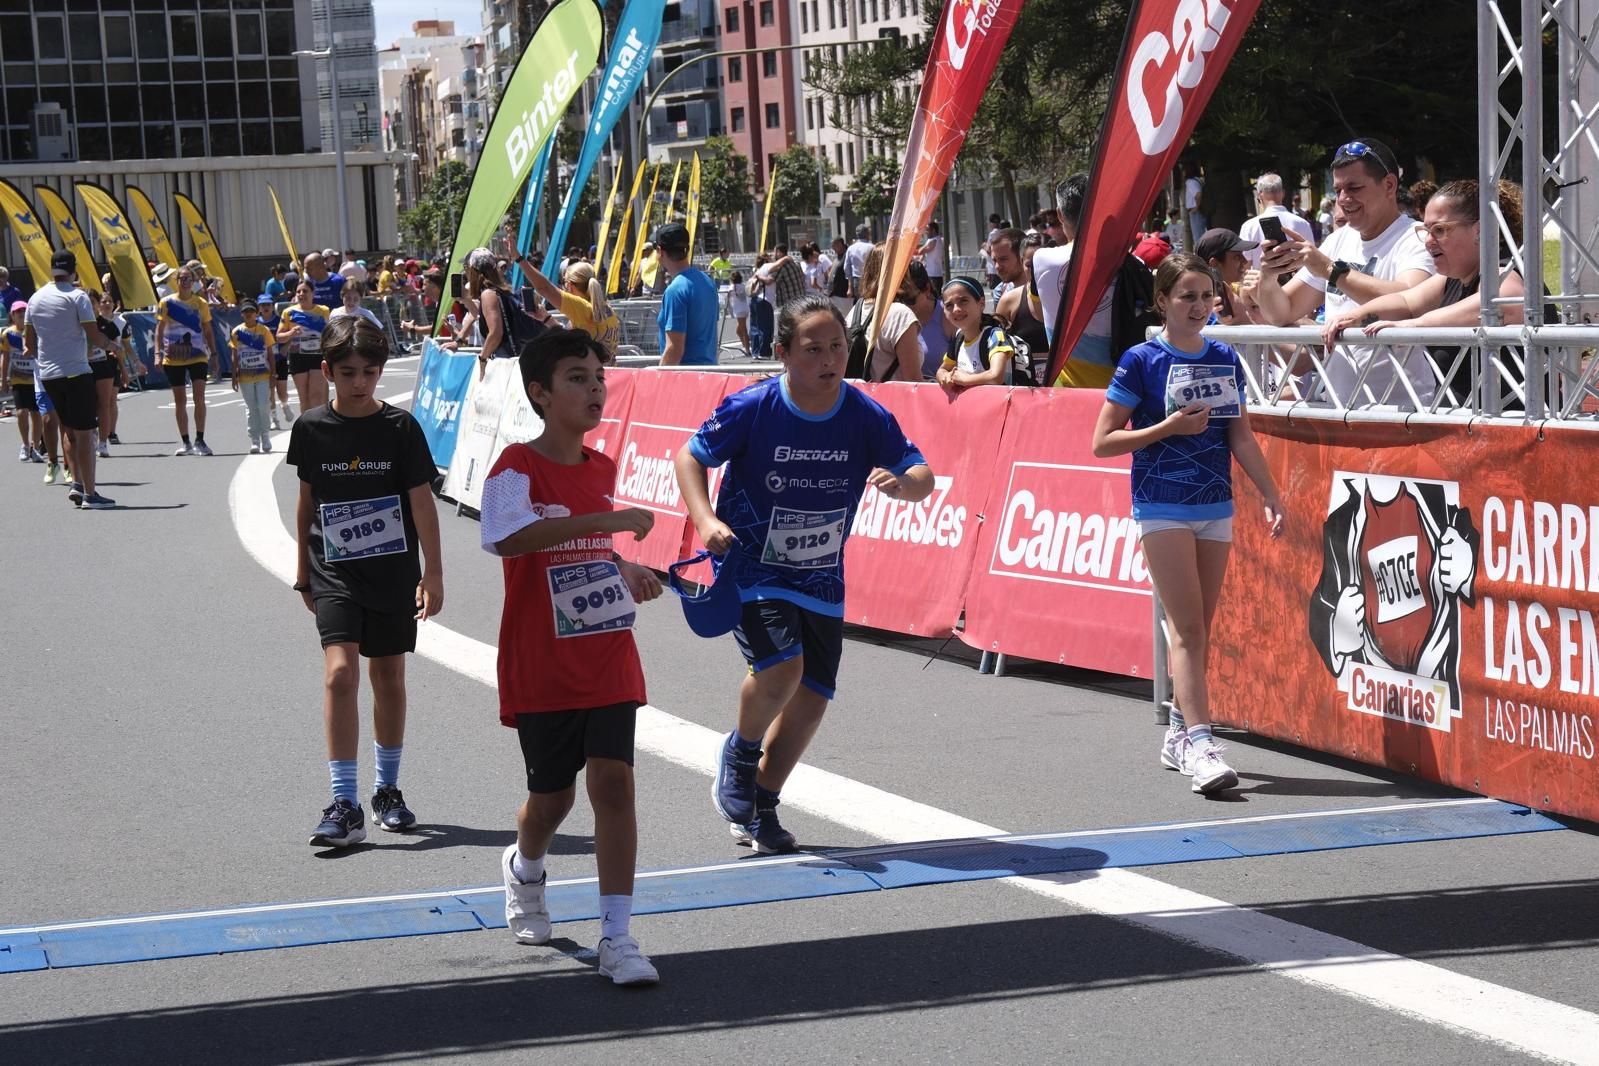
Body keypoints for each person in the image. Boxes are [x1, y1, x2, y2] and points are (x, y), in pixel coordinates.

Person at [675, 295, 934, 853]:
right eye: (813, 349)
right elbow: (690, 457)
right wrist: (705, 519)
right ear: (783, 353)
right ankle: (741, 753)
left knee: (813, 699)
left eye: (837, 347)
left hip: (821, 575)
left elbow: (920, 470)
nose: (829, 359)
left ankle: (762, 805)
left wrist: (909, 485)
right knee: (782, 670)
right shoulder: (754, 406)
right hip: (753, 566)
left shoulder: (864, 413)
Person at [480, 329, 664, 985]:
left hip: (608, 648)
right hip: (542, 661)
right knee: (550, 801)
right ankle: (525, 866)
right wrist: (605, 527)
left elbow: (590, 549)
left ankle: (617, 937)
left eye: (597, 376)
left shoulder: (603, 468)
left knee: (612, 782)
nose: (594, 388)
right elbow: (504, 538)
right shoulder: (514, 468)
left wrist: (623, 567)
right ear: (540, 393)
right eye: (576, 378)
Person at [1090, 253, 1285, 795]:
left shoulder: (1224, 355)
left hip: (1214, 504)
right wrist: (1167, 428)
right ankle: (1201, 743)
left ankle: (1178, 731)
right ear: (1163, 302)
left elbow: (1239, 435)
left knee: (1200, 630)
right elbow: (1103, 442)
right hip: (1161, 504)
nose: (1199, 306)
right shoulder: (1141, 360)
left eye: (1206, 296)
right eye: (1187, 297)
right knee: (1189, 629)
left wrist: (1269, 492)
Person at [288, 315, 443, 848]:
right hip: (333, 568)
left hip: (392, 569)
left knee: (389, 677)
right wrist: (301, 570)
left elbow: (422, 501)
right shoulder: (310, 427)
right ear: (327, 370)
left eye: (370, 372)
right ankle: (343, 800)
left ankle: (387, 790)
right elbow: (307, 500)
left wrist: (434, 573)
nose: (359, 382)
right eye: (349, 372)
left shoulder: (400, 428)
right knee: (339, 674)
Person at [1253, 138, 1437, 406]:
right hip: (1340, 408)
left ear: (1389, 185)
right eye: (1338, 189)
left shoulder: (1415, 237)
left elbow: (1410, 300)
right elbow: (1282, 311)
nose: (1343, 199)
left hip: (1403, 409)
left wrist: (1331, 271)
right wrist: (1268, 275)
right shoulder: (1339, 239)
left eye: (1354, 188)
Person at [1320, 179, 1530, 405]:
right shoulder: (1449, 281)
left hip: (1519, 426)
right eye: (1426, 230)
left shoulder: (1506, 270)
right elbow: (1406, 302)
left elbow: (1502, 303)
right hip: (1465, 426)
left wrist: (1414, 325)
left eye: (1439, 230)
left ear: (1479, 231)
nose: (1429, 241)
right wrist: (1354, 316)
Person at [25, 250, 112, 508]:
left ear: (51, 270)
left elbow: (28, 343)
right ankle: (91, 494)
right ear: (73, 271)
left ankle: (76, 483)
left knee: (69, 430)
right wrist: (113, 347)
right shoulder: (78, 296)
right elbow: (94, 335)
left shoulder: (35, 298)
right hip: (76, 371)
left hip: (49, 375)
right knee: (86, 434)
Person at [851, 246, 937, 382]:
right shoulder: (899, 314)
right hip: (893, 401)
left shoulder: (856, 310)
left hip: (861, 399)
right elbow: (912, 381)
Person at [154, 265, 215, 456]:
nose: (185, 282)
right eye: (182, 278)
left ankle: (200, 439)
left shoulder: (201, 303)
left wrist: (214, 353)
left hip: (197, 355)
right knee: (180, 401)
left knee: (199, 398)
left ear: (193, 281)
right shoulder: (166, 302)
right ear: (177, 281)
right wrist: (158, 353)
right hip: (173, 357)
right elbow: (159, 329)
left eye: (189, 278)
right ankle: (186, 442)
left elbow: (207, 330)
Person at [512, 255, 621, 360]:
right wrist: (546, 318)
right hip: (605, 374)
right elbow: (570, 337)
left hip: (590, 375)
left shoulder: (583, 307)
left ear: (569, 285)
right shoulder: (605, 308)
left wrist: (519, 258)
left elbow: (544, 288)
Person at [654, 223, 719, 366]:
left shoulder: (675, 290)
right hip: (710, 374)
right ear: (687, 249)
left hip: (686, 379)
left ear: (660, 251)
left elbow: (674, 350)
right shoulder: (707, 281)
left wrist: (658, 381)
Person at [936, 276, 1016, 390]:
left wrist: (965, 379)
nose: (956, 309)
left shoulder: (994, 336)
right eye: (949, 305)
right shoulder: (959, 338)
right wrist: (945, 377)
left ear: (981, 303)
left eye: (963, 301)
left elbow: (996, 376)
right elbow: (942, 370)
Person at [230, 298, 278, 454]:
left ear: (256, 313)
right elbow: (234, 354)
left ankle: (265, 436)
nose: (249, 314)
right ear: (242, 314)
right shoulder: (237, 332)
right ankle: (254, 439)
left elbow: (270, 353)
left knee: (263, 405)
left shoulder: (264, 330)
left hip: (263, 374)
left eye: (251, 311)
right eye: (246, 312)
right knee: (251, 408)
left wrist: (273, 374)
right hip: (245, 376)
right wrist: (233, 375)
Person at [1238, 172, 1314, 268]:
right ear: (1283, 193)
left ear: (1259, 195)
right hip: (1298, 281)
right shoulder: (1303, 224)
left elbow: (1245, 266)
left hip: (1262, 281)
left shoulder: (1248, 227)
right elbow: (1311, 262)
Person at [994, 231, 1050, 359]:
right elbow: (996, 349)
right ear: (1021, 261)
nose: (1037, 270)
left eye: (1042, 264)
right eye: (1030, 265)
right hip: (1024, 378)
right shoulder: (1008, 301)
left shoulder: (1070, 299)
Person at [278, 280, 331, 413]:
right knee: (304, 398)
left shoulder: (323, 311)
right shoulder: (289, 312)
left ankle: (319, 426)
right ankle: (305, 429)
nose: (302, 294)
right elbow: (279, 337)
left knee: (316, 395)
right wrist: (291, 332)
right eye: (298, 291)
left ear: (313, 293)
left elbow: (330, 333)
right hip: (298, 356)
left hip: (317, 355)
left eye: (305, 291)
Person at [2, 300, 44, 463]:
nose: (21, 314)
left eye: (24, 311)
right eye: (18, 312)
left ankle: (35, 447)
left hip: (35, 379)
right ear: (12, 315)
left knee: (36, 414)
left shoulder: (35, 331)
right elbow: (4, 358)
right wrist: (4, 380)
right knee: (21, 412)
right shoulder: (8, 334)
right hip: (18, 379)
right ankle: (25, 445)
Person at [1194, 228, 1264, 325]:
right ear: (1214, 263)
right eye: (1237, 257)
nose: (1244, 261)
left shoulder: (1241, 292)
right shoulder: (1202, 313)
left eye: (1242, 255)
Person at [88, 290, 128, 455]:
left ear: (97, 305)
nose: (90, 306)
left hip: (104, 367)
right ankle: (90, 435)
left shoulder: (107, 325)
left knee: (104, 405)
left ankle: (103, 443)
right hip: (83, 369)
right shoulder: (77, 325)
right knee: (88, 406)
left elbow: (118, 349)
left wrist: (124, 370)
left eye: (93, 302)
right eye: (87, 302)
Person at [258, 293, 293, 429]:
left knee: (281, 391)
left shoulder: (280, 321)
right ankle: (274, 418)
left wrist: (286, 348)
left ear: (273, 306)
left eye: (268, 305)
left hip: (280, 359)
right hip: (264, 361)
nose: (266, 307)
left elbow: (290, 335)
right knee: (269, 391)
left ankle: (284, 404)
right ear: (259, 307)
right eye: (263, 305)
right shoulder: (256, 323)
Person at [752, 246, 807, 312]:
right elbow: (803, 277)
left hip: (788, 302)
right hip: (800, 300)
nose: (773, 254)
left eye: (774, 252)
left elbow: (769, 281)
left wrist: (758, 276)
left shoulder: (779, 267)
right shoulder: (796, 263)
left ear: (779, 252)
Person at [843, 225, 873, 300]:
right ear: (867, 234)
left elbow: (847, 268)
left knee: (860, 302)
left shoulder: (851, 248)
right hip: (870, 279)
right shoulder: (872, 247)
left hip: (857, 280)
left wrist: (850, 287)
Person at [1182, 161, 1207, 248]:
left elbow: (1198, 194)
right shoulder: (1198, 180)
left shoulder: (1190, 181)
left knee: (1198, 237)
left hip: (1195, 211)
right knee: (1201, 235)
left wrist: (1196, 207)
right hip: (1199, 210)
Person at [917, 221, 946, 292]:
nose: (926, 232)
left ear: (933, 230)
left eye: (927, 230)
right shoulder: (937, 240)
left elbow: (920, 251)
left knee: (935, 294)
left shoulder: (933, 240)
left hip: (934, 274)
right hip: (934, 273)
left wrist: (924, 246)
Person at [728, 270, 751, 357]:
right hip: (745, 308)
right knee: (738, 331)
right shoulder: (743, 286)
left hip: (739, 310)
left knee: (743, 330)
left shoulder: (732, 287)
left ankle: (748, 349)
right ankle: (745, 346)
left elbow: (728, 298)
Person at [828, 236, 852, 315]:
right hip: (834, 294)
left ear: (840, 244)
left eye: (834, 245)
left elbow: (850, 273)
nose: (832, 248)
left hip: (843, 295)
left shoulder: (847, 255)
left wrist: (850, 289)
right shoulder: (838, 256)